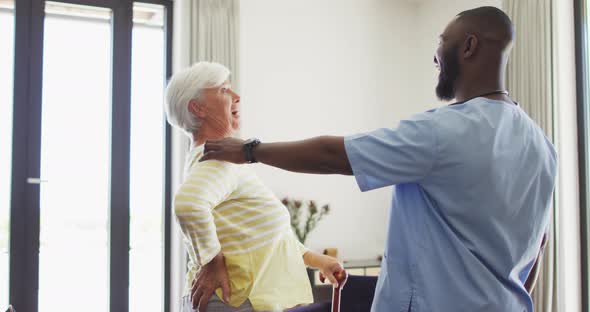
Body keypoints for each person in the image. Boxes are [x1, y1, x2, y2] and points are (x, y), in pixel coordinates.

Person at [200, 7, 557, 312]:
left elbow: (334, 155)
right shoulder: (542, 145)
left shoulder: (445, 131)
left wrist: (250, 150)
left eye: (441, 42)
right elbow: (535, 249)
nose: (435, 57)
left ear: (468, 46)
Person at [165, 62, 344, 312]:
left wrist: (315, 259)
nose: (236, 96)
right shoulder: (217, 161)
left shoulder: (219, 162)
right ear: (198, 108)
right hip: (237, 302)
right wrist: (212, 262)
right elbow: (188, 205)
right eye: (224, 90)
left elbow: (258, 238)